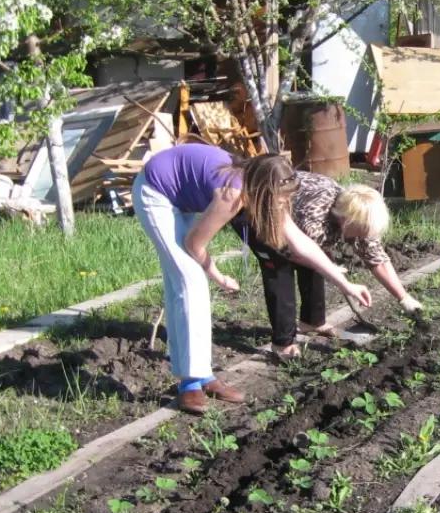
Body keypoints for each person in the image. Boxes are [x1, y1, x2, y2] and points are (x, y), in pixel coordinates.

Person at [133, 144, 372, 414]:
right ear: (263, 190)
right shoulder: (232, 195)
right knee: (190, 280)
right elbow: (194, 245)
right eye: (280, 199)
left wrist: (346, 284)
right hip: (156, 192)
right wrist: (218, 275)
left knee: (188, 284)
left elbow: (301, 244)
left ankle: (204, 377)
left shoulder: (264, 183)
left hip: (180, 190)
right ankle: (190, 383)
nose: (284, 204)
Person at [235, 171, 422, 360]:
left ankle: (312, 322)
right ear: (346, 220)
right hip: (254, 206)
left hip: (292, 213)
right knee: (279, 266)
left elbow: (377, 258)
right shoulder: (316, 217)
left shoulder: (357, 214)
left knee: (321, 257)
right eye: (362, 231)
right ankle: (283, 343)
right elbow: (296, 252)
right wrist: (334, 273)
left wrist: (404, 298)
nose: (364, 236)